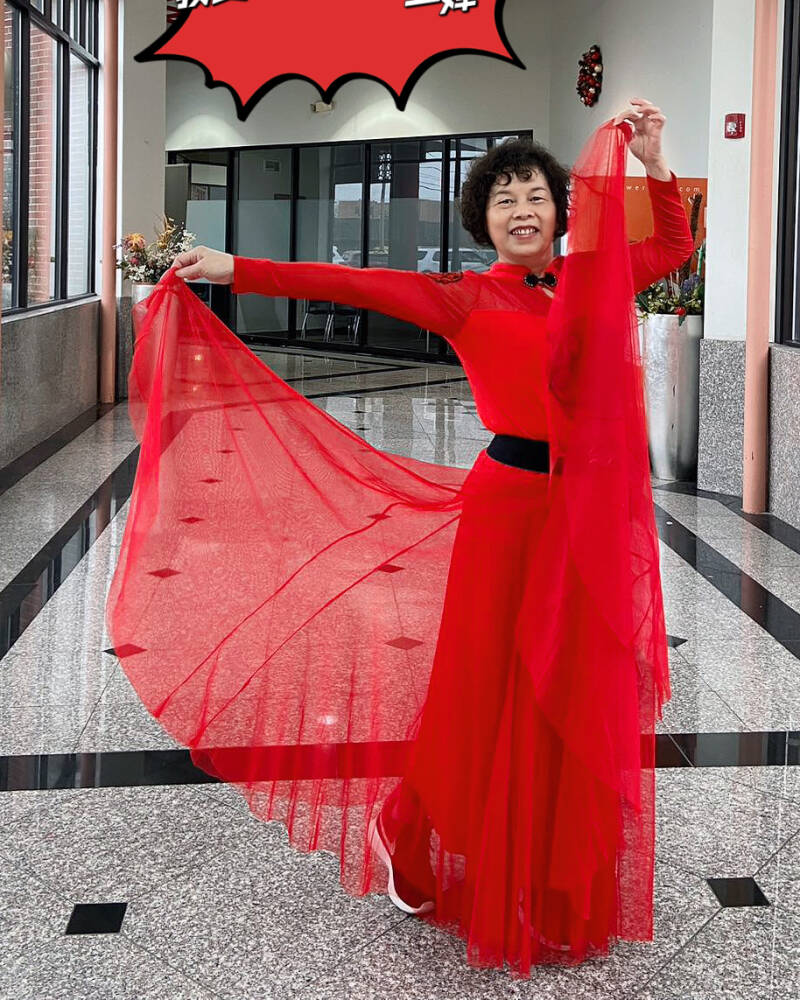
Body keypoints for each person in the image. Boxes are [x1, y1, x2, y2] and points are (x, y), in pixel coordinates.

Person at [111, 100, 694, 976]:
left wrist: (653, 161)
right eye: (504, 199)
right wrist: (237, 267)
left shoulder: (594, 279)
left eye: (535, 195)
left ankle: (543, 858)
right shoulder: (460, 296)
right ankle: (412, 832)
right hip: (508, 507)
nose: (523, 210)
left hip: (585, 515)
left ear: (559, 210)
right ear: (482, 220)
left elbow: (673, 246)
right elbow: (347, 284)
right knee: (483, 686)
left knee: (565, 686)